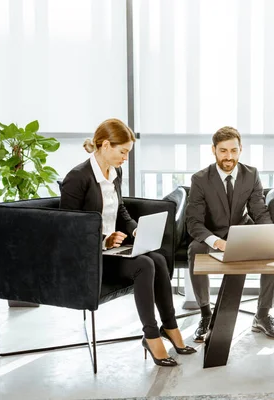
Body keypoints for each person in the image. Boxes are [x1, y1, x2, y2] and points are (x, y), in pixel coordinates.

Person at [60, 118, 195, 367]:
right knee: (144, 264)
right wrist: (104, 239)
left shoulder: (115, 172)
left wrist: (134, 230)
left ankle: (170, 326)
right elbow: (69, 229)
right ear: (106, 145)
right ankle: (151, 335)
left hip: (112, 249)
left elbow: (120, 209)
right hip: (90, 256)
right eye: (123, 152)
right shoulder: (77, 178)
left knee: (157, 258)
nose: (126, 158)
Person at [186, 126, 274, 342]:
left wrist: (270, 235)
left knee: (272, 252)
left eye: (233, 150)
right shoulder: (200, 179)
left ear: (241, 150)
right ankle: (205, 315)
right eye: (223, 151)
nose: (228, 157)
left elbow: (258, 210)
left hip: (242, 229)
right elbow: (193, 222)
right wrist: (217, 242)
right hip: (212, 233)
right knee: (195, 250)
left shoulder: (251, 174)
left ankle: (263, 315)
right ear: (213, 150)